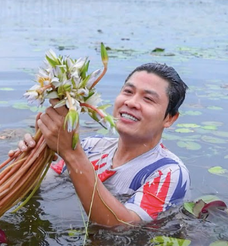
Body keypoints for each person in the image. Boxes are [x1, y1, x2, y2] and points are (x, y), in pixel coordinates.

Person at [11, 62, 190, 227]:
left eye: (148, 99)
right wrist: (33, 158)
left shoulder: (168, 172)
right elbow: (40, 185)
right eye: (128, 92)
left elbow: (123, 225)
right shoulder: (91, 146)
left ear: (169, 118)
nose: (131, 102)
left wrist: (72, 153)